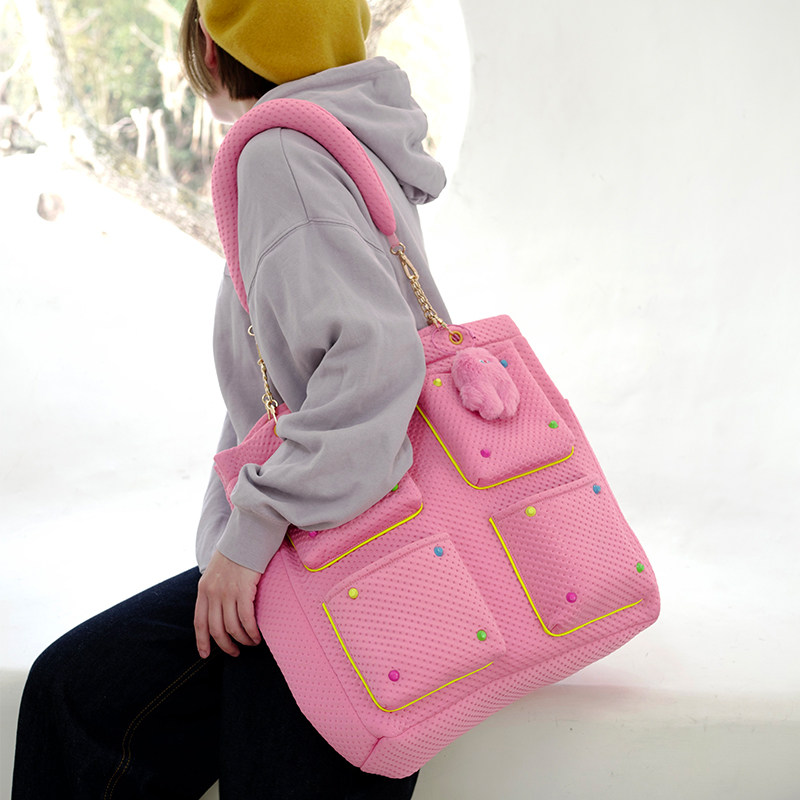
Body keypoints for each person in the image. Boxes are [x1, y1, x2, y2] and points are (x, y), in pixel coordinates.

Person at [11, 0, 449, 797]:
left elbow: (375, 360)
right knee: (77, 695)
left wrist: (249, 536)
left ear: (213, 46)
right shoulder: (356, 130)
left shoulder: (280, 151)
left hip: (331, 556)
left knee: (84, 706)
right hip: (358, 539)